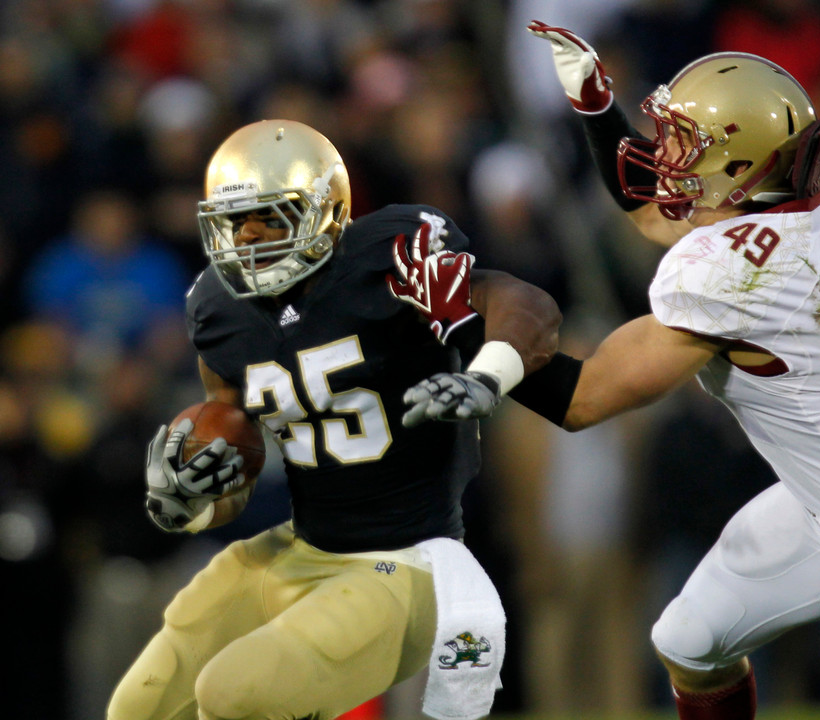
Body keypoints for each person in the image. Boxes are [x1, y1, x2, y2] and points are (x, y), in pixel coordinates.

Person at [391, 22, 820, 719]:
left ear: (740, 167)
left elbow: (584, 398)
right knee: (692, 639)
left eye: (685, 143)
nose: (667, 155)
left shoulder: (734, 274)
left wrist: (464, 321)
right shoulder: (819, 201)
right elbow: (659, 212)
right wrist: (595, 109)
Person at [105, 119, 561, 720]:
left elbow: (523, 303)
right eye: (235, 222)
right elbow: (238, 465)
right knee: (136, 706)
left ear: (324, 208)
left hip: (404, 559)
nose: (249, 238)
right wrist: (191, 500)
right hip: (302, 544)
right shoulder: (219, 312)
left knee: (231, 692)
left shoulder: (386, 257)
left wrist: (484, 375)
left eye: (270, 217)